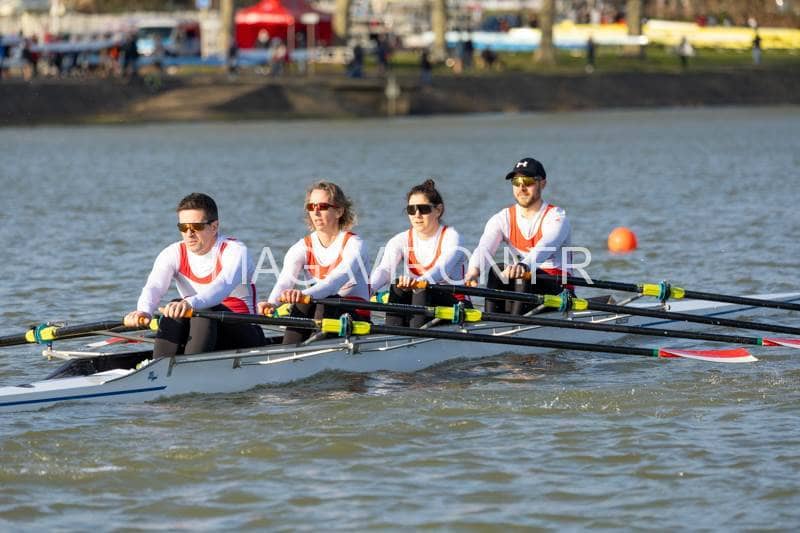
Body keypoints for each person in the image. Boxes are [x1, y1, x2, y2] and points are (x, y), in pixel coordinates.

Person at [124, 193, 265, 357]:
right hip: (203, 330)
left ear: (214, 227)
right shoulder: (173, 253)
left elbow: (222, 285)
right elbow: (154, 287)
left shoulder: (235, 251)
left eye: (196, 227)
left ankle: (188, 366)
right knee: (175, 307)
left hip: (246, 335)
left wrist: (190, 303)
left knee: (200, 308)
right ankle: (159, 364)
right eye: (183, 227)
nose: (189, 233)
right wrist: (144, 311)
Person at [257, 182, 370, 344]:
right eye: (311, 207)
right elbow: (284, 282)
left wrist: (303, 295)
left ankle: (307, 348)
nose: (316, 212)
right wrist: (271, 303)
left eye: (322, 206)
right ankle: (289, 348)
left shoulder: (354, 244)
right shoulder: (301, 247)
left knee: (322, 299)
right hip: (322, 312)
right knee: (304, 302)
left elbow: (333, 283)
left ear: (339, 211)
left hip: (356, 319)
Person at [464, 157, 573, 315]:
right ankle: (493, 321)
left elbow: (546, 245)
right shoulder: (502, 218)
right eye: (516, 182)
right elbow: (484, 248)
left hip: (558, 292)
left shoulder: (556, 217)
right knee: (498, 270)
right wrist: (473, 271)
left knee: (524, 275)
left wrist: (523, 266)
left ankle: (514, 323)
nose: (521, 188)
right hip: (524, 290)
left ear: (542, 183)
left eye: (528, 181)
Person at [370, 179, 469, 328]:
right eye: (411, 210)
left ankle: (415, 334)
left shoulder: (452, 237)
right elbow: (385, 270)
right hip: (421, 302)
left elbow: (441, 270)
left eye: (423, 209)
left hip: (456, 306)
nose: (417, 215)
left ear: (438, 210)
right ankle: (393, 331)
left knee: (422, 287)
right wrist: (368, 290)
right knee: (398, 285)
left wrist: (417, 282)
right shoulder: (400, 240)